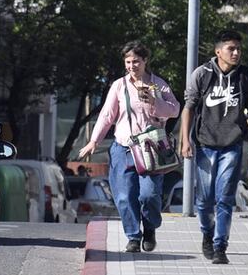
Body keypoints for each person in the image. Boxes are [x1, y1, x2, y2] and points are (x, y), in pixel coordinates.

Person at [78, 42, 181, 253]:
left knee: (149, 195)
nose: (132, 66)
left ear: (145, 61)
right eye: (128, 62)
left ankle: (150, 227)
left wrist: (154, 100)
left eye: (136, 61)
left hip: (151, 149)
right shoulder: (119, 86)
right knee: (124, 196)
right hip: (123, 148)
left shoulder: (158, 85)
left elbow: (174, 110)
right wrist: (93, 141)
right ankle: (133, 236)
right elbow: (107, 116)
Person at [180, 30, 248, 265]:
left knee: (225, 198)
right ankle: (207, 232)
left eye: (238, 49)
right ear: (218, 51)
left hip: (233, 145)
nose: (236, 53)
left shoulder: (246, 77)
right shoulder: (202, 74)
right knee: (204, 200)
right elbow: (189, 107)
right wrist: (185, 140)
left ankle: (220, 246)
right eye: (231, 49)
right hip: (205, 145)